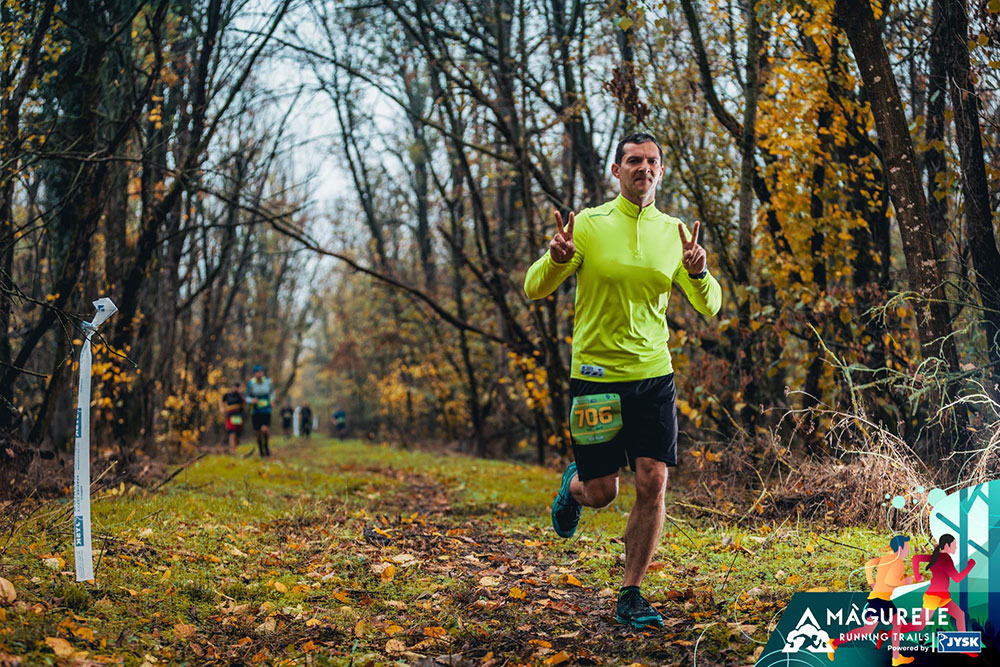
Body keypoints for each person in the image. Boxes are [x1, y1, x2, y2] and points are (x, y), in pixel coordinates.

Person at [523, 133, 722, 629]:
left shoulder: (675, 233)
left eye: (652, 161)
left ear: (661, 170)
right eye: (634, 160)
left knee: (653, 480)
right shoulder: (589, 226)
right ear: (617, 170)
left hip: (653, 377)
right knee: (602, 493)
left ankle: (631, 592)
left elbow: (711, 306)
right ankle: (573, 487)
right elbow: (534, 288)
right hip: (596, 377)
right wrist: (557, 259)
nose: (644, 168)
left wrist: (699, 273)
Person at [827, 535, 915, 666]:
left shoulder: (886, 559)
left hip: (885, 600)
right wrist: (905, 582)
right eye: (907, 547)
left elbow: (868, 564)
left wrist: (871, 582)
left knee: (897, 625)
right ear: (900, 548)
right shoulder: (898, 563)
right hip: (880, 601)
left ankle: (896, 657)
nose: (908, 550)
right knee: (867, 630)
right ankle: (834, 643)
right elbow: (890, 581)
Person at [903, 534, 976, 635]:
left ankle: (963, 641)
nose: (956, 547)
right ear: (946, 545)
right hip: (933, 597)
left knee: (960, 615)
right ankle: (889, 633)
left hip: (943, 597)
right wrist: (970, 565)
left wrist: (917, 576)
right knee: (919, 626)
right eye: (954, 545)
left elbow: (916, 558)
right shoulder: (946, 559)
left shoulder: (936, 557)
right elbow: (957, 578)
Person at [245, 365, 274, 457]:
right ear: (254, 374)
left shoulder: (268, 382)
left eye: (260, 372)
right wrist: (251, 400)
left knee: (265, 430)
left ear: (262, 372)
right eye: (257, 372)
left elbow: (272, 393)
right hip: (256, 410)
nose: (259, 374)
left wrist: (272, 400)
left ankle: (266, 446)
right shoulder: (250, 383)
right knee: (258, 432)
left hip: (266, 409)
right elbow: (246, 397)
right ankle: (261, 449)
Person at [220, 382, 244, 453]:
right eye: (234, 387)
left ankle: (235, 447)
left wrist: (240, 393)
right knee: (232, 434)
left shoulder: (240, 395)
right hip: (230, 416)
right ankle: (232, 450)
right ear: (231, 387)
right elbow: (221, 401)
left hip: (239, 416)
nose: (235, 389)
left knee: (238, 434)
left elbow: (245, 402)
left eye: (237, 387)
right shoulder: (227, 395)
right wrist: (221, 408)